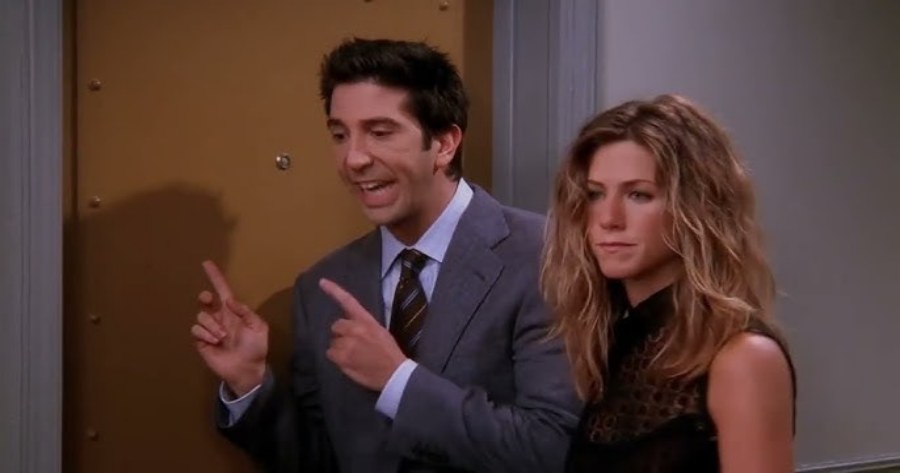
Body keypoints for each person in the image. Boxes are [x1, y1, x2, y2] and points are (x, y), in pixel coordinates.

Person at [190, 37, 580, 473]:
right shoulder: (321, 288)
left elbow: (549, 448)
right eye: (340, 135)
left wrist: (398, 382)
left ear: (445, 143)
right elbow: (317, 460)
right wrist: (248, 383)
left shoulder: (544, 256)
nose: (353, 159)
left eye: (380, 132)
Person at [540, 94, 796, 472]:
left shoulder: (744, 358)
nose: (609, 218)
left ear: (696, 208)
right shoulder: (614, 343)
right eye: (595, 194)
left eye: (639, 194)